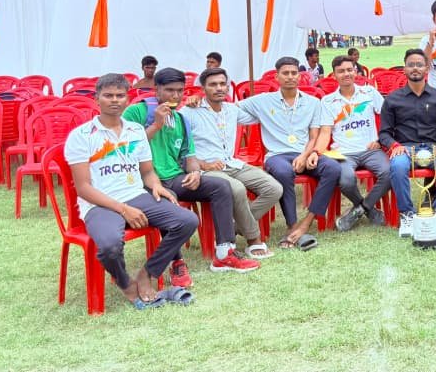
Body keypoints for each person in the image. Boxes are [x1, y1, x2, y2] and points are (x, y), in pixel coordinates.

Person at [64, 74, 199, 308]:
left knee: (187, 221)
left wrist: (156, 185)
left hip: (136, 195)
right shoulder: (81, 136)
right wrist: (123, 209)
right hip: (100, 204)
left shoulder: (136, 130)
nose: (114, 100)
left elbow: (147, 172)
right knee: (109, 247)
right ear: (97, 99)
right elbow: (84, 188)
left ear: (128, 99)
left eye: (120, 95)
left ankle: (148, 274)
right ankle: (126, 283)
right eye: (108, 95)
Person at [123, 68, 260, 283]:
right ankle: (176, 263)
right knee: (166, 201)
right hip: (144, 181)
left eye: (180, 91)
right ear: (156, 89)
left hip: (175, 177)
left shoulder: (181, 119)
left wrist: (195, 172)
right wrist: (156, 125)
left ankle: (224, 253)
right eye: (169, 90)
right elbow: (125, 149)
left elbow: (190, 156)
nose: (175, 96)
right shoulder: (137, 112)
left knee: (221, 186)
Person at [237, 57, 342, 249]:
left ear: (300, 76)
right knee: (284, 172)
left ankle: (306, 223)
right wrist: (198, 101)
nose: (290, 77)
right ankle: (292, 225)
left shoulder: (312, 102)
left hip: (304, 152)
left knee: (333, 168)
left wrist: (305, 155)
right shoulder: (263, 100)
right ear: (276, 77)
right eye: (285, 73)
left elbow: (314, 136)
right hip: (276, 155)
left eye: (294, 73)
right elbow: (231, 108)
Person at [182, 68, 282, 259]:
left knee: (274, 188)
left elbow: (260, 114)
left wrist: (279, 97)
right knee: (237, 189)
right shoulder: (189, 112)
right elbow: (179, 149)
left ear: (227, 87)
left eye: (222, 84)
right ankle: (254, 240)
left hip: (231, 164)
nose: (219, 88)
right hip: (204, 169)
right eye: (213, 85)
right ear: (203, 88)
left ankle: (234, 228)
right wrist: (204, 165)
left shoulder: (231, 110)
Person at [379, 49, 436, 237]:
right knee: (397, 166)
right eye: (411, 65)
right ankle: (407, 214)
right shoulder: (392, 99)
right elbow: (384, 133)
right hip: (405, 149)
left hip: (434, 147)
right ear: (404, 69)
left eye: (419, 65)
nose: (415, 68)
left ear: (427, 68)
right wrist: (395, 146)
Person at [314, 55, 390, 231]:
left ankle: (360, 209)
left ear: (356, 71)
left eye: (349, 70)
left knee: (390, 172)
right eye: (341, 71)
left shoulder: (369, 92)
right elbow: (325, 132)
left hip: (371, 149)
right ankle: (369, 210)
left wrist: (380, 140)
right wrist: (317, 152)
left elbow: (388, 118)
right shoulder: (328, 101)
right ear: (334, 75)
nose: (346, 74)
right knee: (346, 180)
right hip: (343, 153)